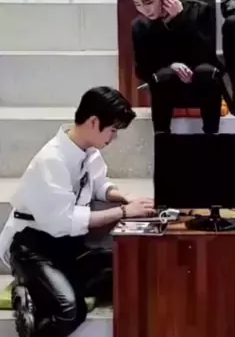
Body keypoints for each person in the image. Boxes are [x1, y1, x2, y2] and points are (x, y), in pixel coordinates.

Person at [0, 87, 156, 337]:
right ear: (94, 122)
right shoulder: (51, 160)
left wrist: (123, 196)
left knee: (126, 268)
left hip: (66, 247)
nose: (114, 137)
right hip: (31, 247)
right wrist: (123, 211)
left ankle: (35, 293)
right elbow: (65, 222)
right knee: (71, 310)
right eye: (112, 130)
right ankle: (34, 298)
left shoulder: (89, 150)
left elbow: (100, 185)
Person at [129, 0, 232, 134]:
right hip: (165, 87)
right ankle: (162, 139)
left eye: (149, 3)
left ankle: (211, 138)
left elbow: (206, 55)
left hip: (200, 82)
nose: (145, 10)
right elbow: (142, 69)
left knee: (207, 72)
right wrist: (171, 65)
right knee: (163, 76)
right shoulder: (140, 25)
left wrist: (181, 19)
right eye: (138, 5)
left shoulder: (199, 10)